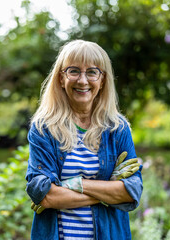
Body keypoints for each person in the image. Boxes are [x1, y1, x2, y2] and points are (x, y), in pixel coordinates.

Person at [25, 39, 143, 240]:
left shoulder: (118, 128)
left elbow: (131, 192)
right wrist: (107, 192)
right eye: (73, 71)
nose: (82, 80)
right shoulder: (43, 128)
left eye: (92, 72)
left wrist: (73, 184)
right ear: (61, 78)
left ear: (103, 80)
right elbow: (46, 194)